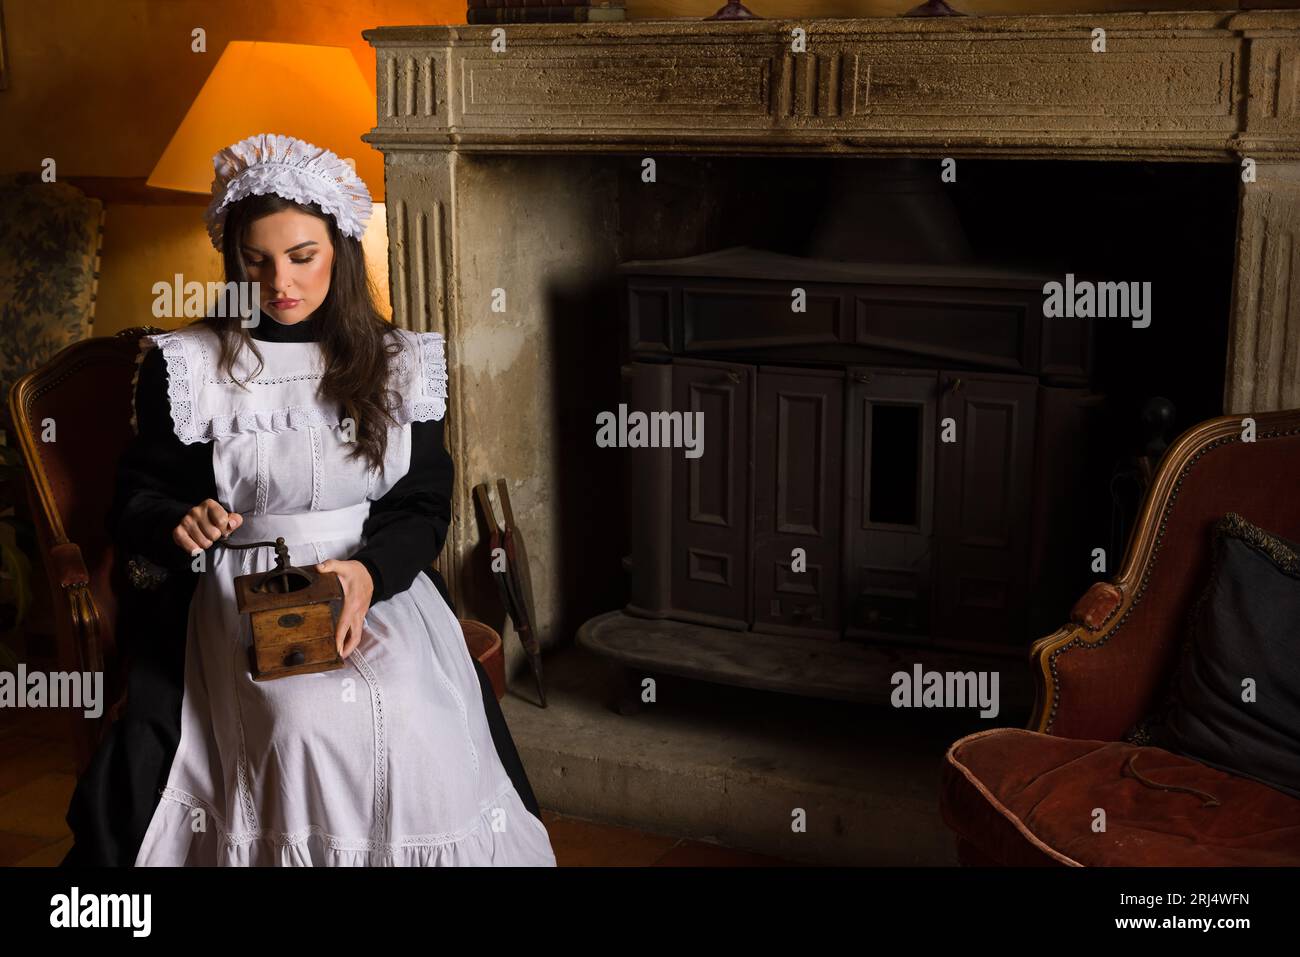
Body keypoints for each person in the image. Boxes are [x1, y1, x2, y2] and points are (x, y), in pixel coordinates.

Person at [61, 133, 556, 866]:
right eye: (255, 261)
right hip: (239, 592)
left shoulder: (400, 364)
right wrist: (178, 519)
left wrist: (365, 576)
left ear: (342, 251)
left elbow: (422, 505)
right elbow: (138, 496)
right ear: (232, 260)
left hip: (373, 583)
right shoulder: (189, 366)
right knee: (302, 722)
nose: (279, 283)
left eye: (302, 257)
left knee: (417, 717)